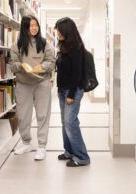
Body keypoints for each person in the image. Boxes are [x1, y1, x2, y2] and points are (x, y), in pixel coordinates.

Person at [9, 15, 55, 160]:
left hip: (42, 83)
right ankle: (26, 142)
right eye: (30, 26)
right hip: (23, 83)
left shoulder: (45, 43)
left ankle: (42, 146)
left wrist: (40, 67)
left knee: (42, 114)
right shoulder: (17, 45)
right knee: (23, 115)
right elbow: (13, 63)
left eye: (36, 25)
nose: (34, 28)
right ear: (24, 27)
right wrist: (21, 66)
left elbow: (51, 62)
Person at [55, 17, 90, 167]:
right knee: (65, 122)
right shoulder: (63, 46)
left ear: (67, 31)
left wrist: (70, 95)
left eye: (59, 30)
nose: (57, 33)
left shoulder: (76, 48)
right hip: (62, 89)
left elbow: (77, 74)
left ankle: (82, 156)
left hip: (72, 91)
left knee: (70, 122)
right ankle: (69, 151)